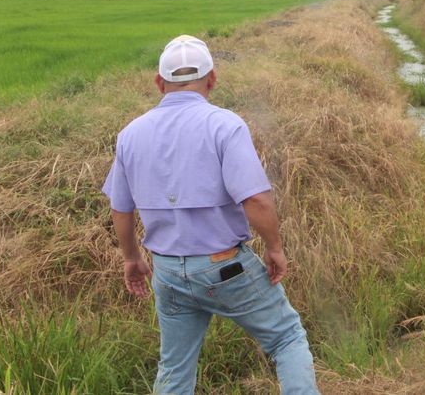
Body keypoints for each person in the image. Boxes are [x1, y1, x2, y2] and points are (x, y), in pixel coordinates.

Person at [102, 35, 319, 395]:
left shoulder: (130, 134)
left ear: (159, 82)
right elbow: (257, 201)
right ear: (212, 79)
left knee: (174, 366)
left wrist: (131, 258)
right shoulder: (224, 125)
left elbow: (121, 209)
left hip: (167, 270)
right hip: (225, 265)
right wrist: (275, 247)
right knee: (286, 337)